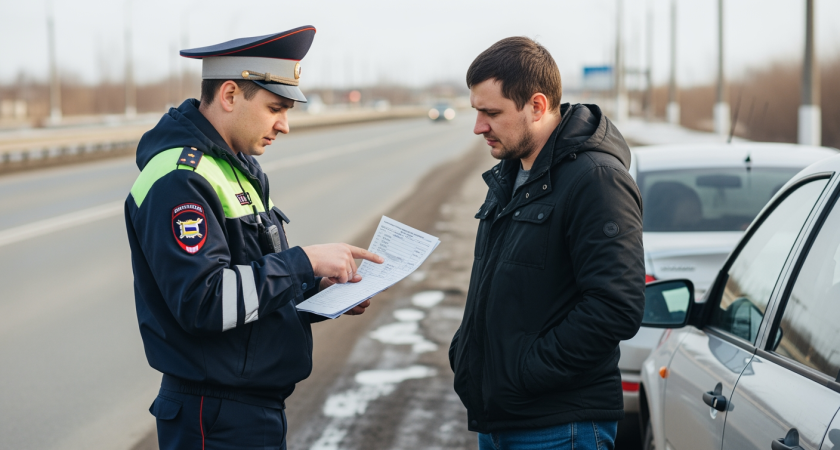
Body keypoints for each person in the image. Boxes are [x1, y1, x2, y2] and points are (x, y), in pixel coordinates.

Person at [124, 25, 383, 449]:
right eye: (275, 108)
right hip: (215, 416)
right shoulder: (180, 177)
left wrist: (315, 292)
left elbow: (247, 282)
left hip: (247, 409)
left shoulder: (236, 165)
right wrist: (303, 261)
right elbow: (205, 302)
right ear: (229, 95)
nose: (284, 126)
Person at [448, 37, 645, 449]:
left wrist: (525, 372)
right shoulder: (511, 175)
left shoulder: (596, 180)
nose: (478, 126)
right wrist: (468, 352)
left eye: (491, 113)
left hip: (559, 427)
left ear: (537, 106)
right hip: (502, 417)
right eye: (476, 111)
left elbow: (615, 307)